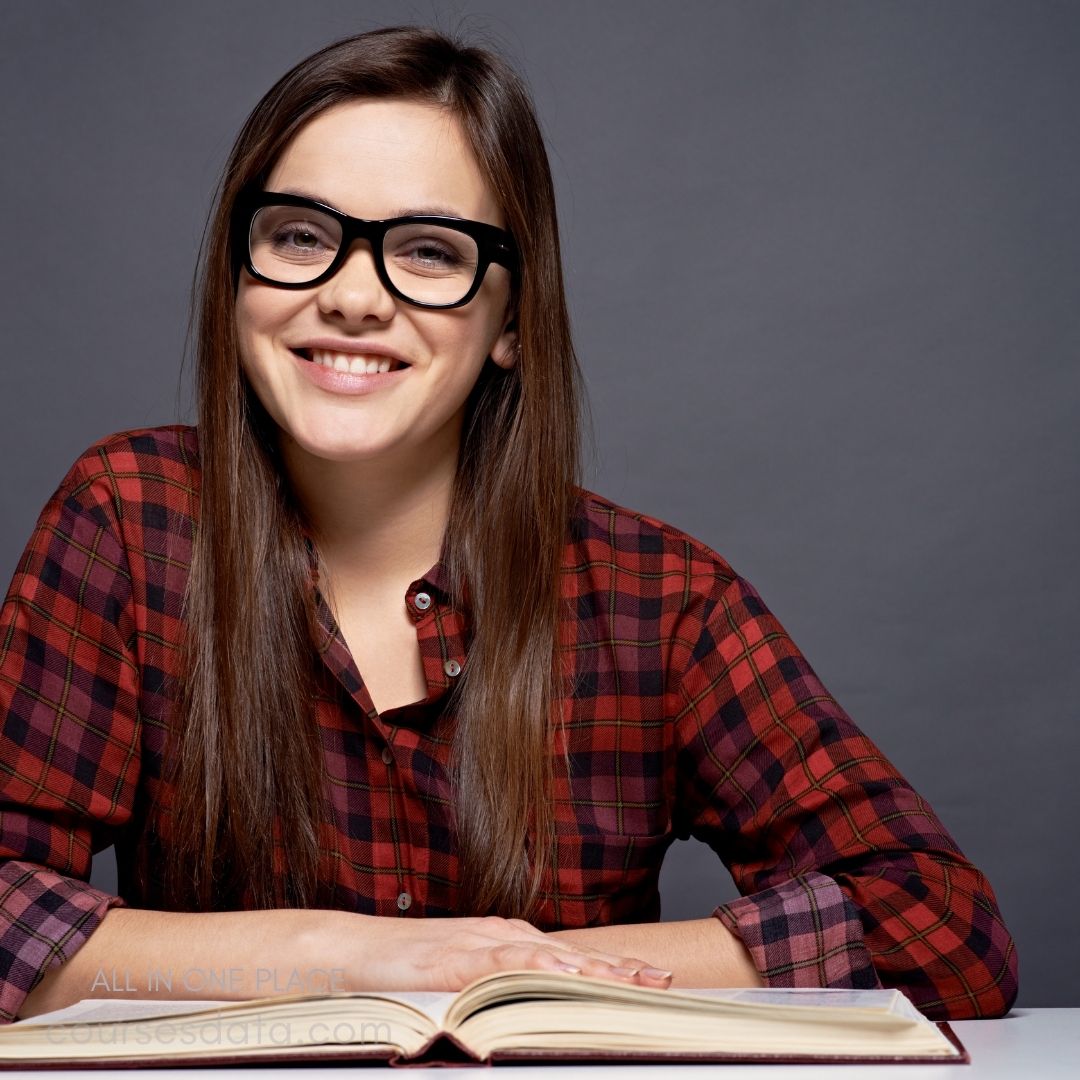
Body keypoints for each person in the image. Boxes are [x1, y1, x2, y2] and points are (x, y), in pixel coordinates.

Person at [0, 26, 1017, 1025]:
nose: (354, 296)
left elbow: (940, 923)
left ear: (514, 322)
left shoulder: (658, 598)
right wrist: (345, 952)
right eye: (300, 236)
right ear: (238, 276)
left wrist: (517, 974)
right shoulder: (129, 519)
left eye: (430, 252)